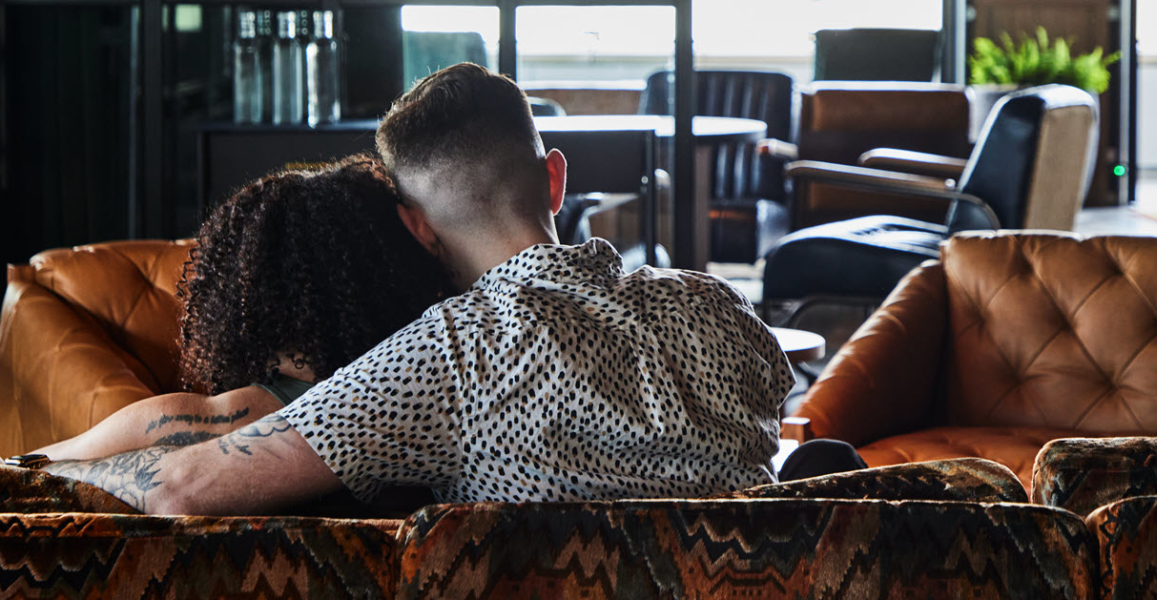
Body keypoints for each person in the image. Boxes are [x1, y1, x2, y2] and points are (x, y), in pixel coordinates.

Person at [31, 63, 795, 515]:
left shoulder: (449, 356)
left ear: (416, 227)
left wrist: (60, 472)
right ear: (555, 179)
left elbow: (183, 489)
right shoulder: (725, 311)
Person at [31, 155, 454, 463]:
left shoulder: (176, 422)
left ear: (237, 294)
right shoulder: (437, 394)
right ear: (393, 272)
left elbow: (27, 475)